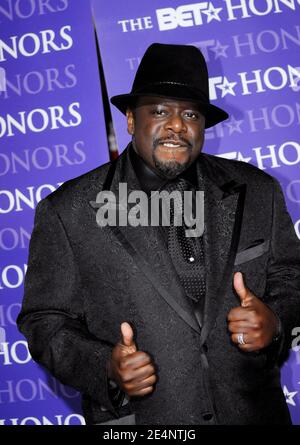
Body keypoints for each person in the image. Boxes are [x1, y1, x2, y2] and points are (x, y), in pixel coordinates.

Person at [17, 43, 300, 425]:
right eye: (161, 111)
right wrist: (106, 366)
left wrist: (276, 319)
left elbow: (290, 275)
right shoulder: (69, 210)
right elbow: (44, 320)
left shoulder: (257, 191)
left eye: (191, 114)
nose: (177, 125)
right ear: (131, 120)